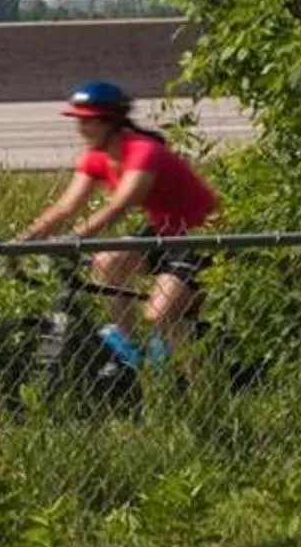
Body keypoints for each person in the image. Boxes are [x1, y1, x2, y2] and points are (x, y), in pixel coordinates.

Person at [15, 79, 219, 367]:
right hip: (162, 232)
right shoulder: (96, 157)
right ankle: (133, 350)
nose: (81, 128)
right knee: (107, 262)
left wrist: (73, 239)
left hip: (200, 234)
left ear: (110, 122)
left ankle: (200, 385)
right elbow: (65, 206)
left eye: (88, 122)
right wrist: (22, 242)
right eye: (78, 121)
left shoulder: (142, 151)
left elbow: (119, 206)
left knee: (159, 315)